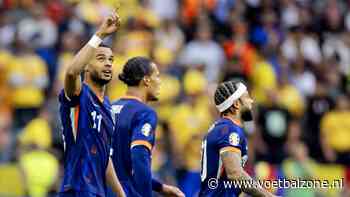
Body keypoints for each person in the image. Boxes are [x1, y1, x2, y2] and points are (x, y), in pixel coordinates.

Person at [58, 11, 125, 197]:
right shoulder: (80, 95)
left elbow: (105, 158)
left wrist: (121, 194)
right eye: (101, 59)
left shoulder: (109, 109)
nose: (108, 64)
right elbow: (71, 73)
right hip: (77, 188)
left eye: (111, 60)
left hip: (98, 191)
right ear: (86, 65)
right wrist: (100, 34)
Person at [109, 57, 184, 197]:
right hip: (125, 190)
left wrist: (160, 187)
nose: (160, 81)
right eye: (157, 76)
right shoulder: (144, 112)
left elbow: (121, 165)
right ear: (146, 80)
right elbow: (139, 155)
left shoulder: (110, 107)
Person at [199, 80, 276, 197]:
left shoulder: (222, 127)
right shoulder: (230, 130)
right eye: (247, 97)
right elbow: (235, 173)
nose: (251, 101)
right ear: (236, 104)